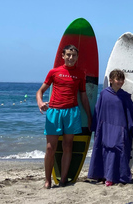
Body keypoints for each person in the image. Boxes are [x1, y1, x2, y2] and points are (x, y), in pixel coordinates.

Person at [36, 45, 92, 189]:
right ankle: (47, 180)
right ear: (63, 55)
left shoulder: (80, 74)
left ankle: (63, 180)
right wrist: (40, 103)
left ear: (77, 57)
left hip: (71, 112)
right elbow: (40, 91)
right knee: (50, 148)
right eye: (68, 55)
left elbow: (84, 97)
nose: (71, 58)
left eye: (74, 55)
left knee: (68, 146)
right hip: (54, 112)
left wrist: (89, 116)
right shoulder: (54, 72)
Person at [88, 69, 133, 186]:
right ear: (111, 80)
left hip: (120, 128)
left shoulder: (125, 96)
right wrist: (95, 126)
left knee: (116, 150)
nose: (120, 82)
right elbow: (98, 111)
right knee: (103, 149)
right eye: (118, 79)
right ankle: (102, 175)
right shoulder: (104, 94)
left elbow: (132, 113)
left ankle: (112, 177)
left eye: (122, 79)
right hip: (105, 128)